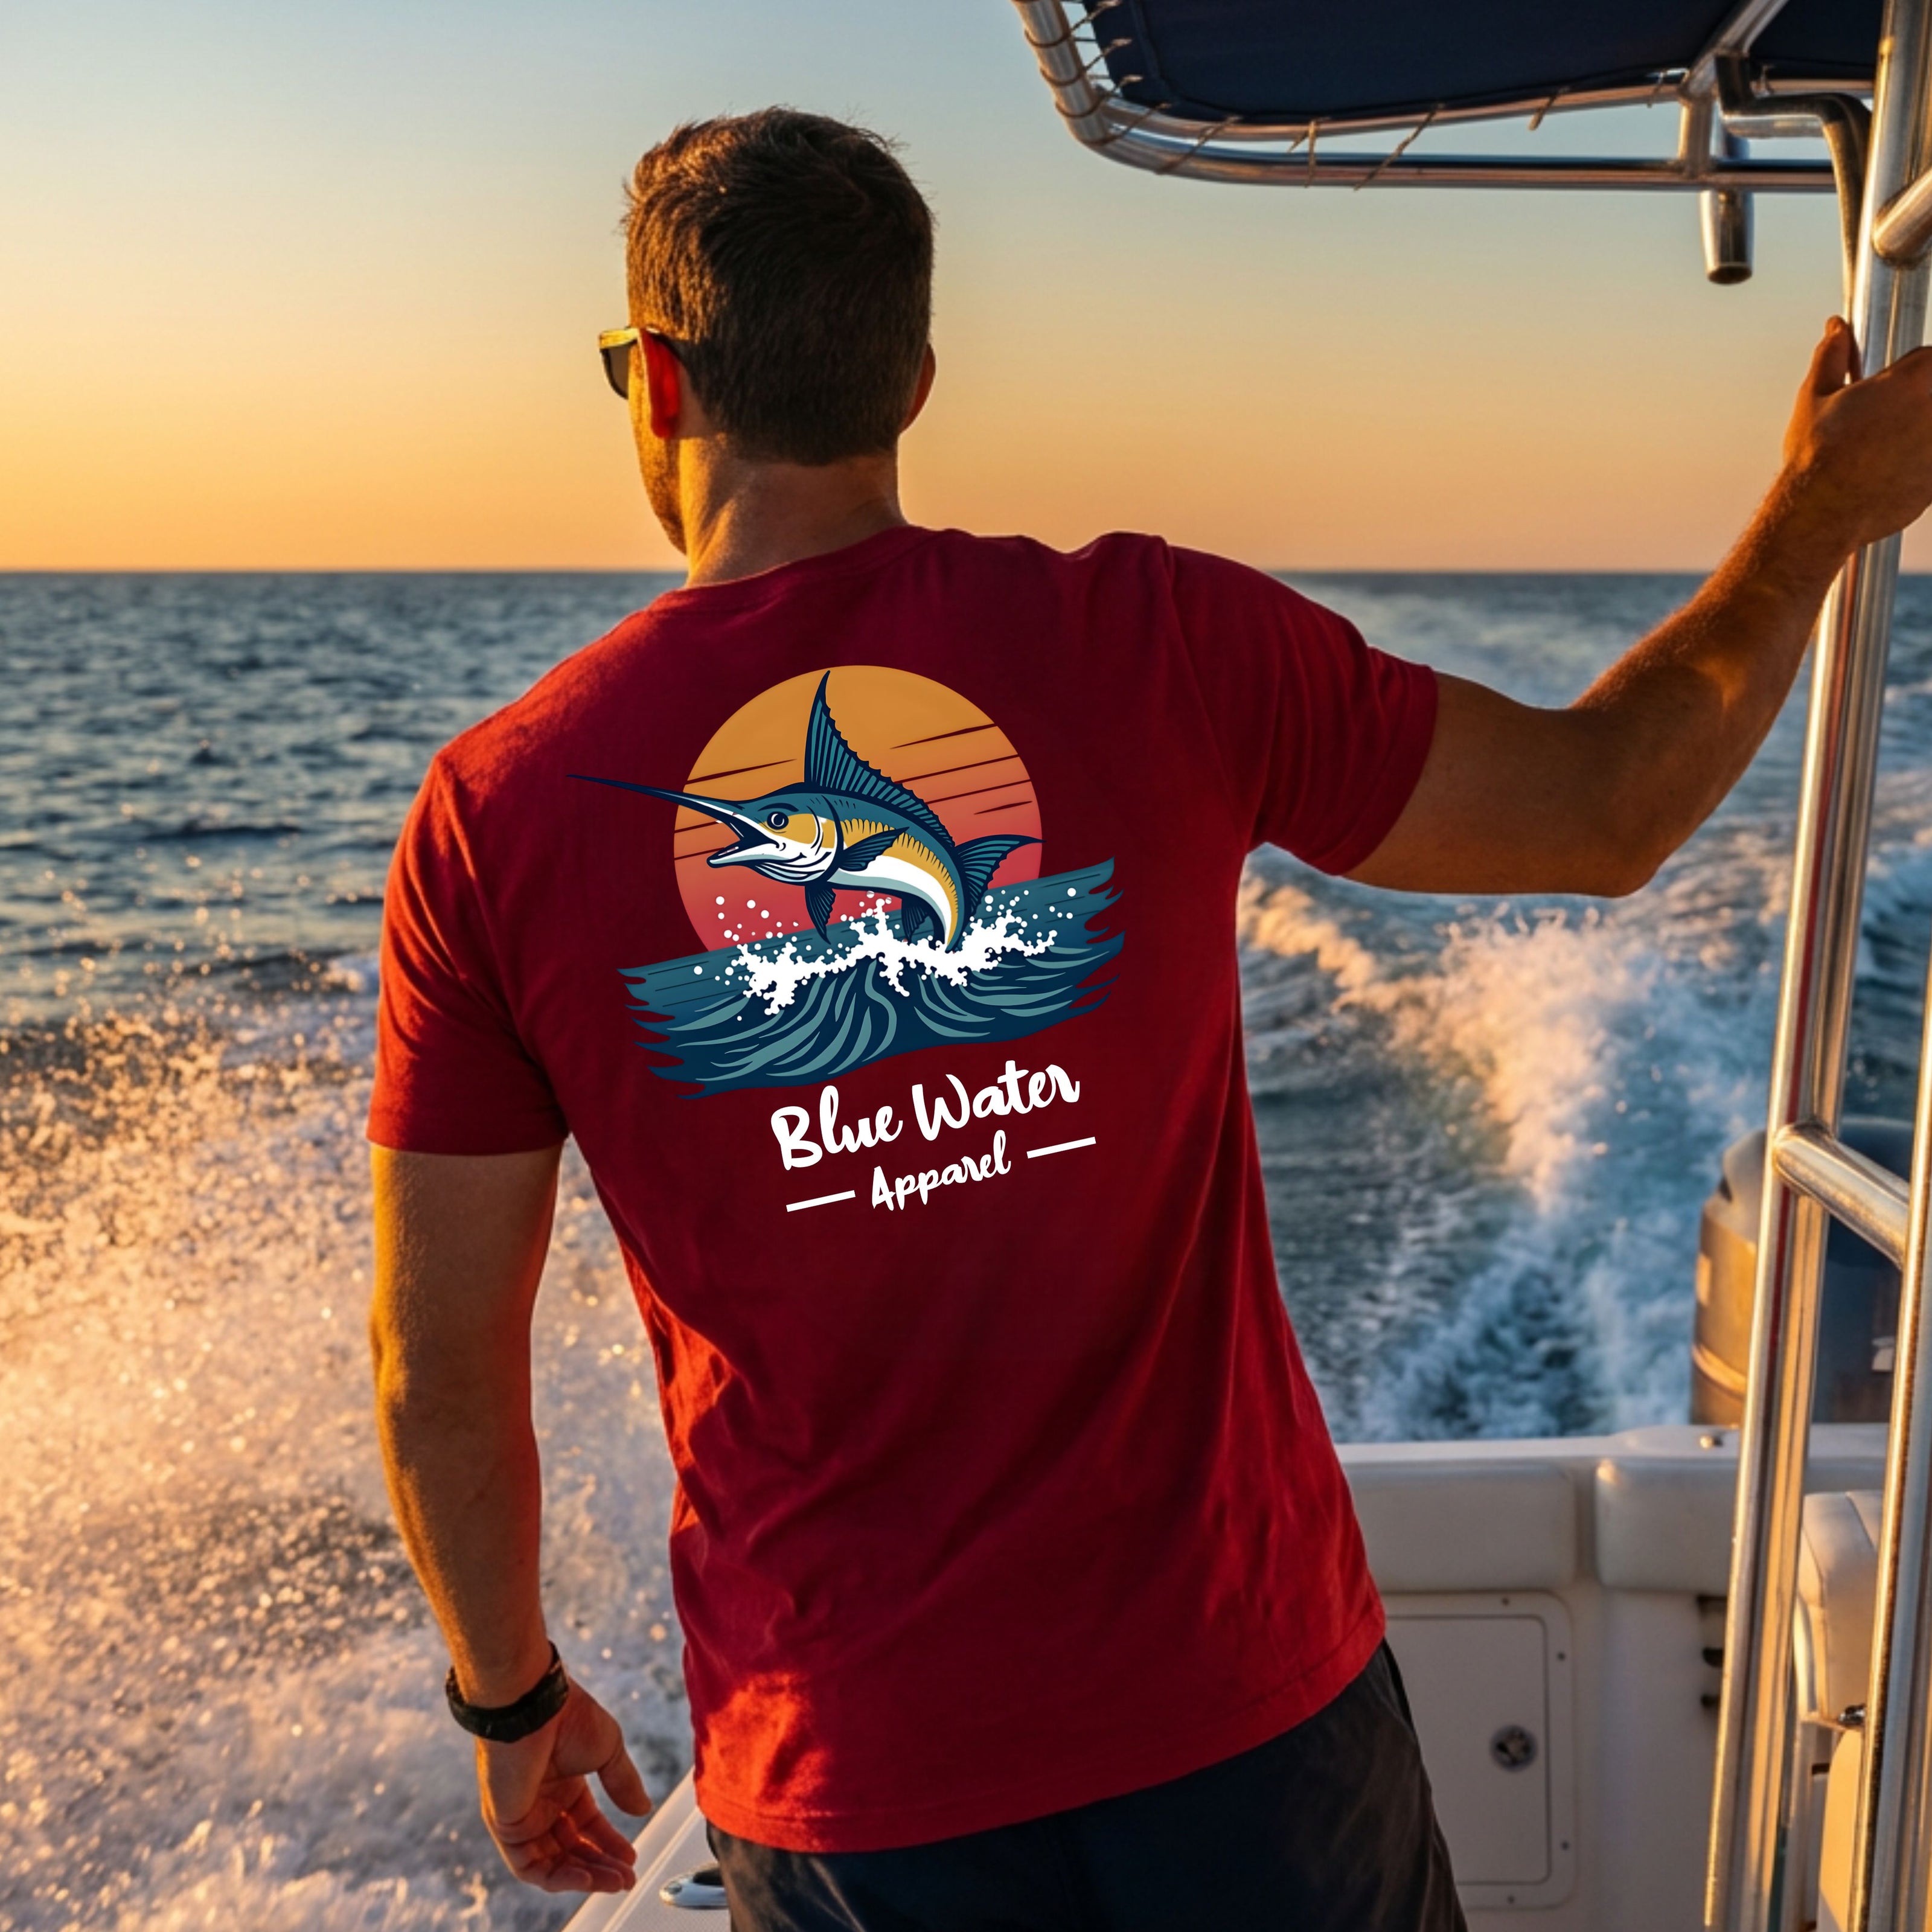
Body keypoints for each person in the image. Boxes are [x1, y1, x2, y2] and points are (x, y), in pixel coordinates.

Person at [366, 107, 1932, 1932]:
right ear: (916, 379)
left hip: (857, 1786)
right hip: (1249, 1727)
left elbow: (436, 1367)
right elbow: (1608, 811)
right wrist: (1821, 514)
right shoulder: (1164, 640)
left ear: (655, 382)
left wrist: (511, 1700)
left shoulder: (494, 812)